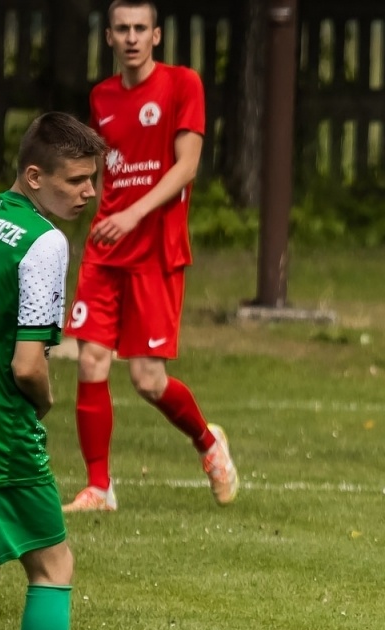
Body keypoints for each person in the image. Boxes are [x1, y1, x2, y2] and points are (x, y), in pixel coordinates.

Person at [61, 0, 237, 513]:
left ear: (156, 35)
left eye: (141, 28)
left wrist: (133, 214)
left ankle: (208, 443)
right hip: (106, 249)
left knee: (147, 380)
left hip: (156, 251)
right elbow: (107, 168)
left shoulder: (183, 84)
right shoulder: (101, 97)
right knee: (91, 359)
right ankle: (99, 488)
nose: (132, 37)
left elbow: (187, 167)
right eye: (123, 29)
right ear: (110, 38)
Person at [0, 114, 109, 630]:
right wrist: (45, 402)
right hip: (0, 433)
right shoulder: (44, 243)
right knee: (53, 566)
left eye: (93, 179)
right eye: (77, 180)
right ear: (34, 176)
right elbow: (29, 364)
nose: (89, 192)